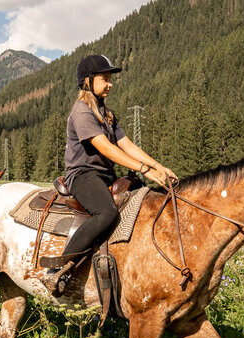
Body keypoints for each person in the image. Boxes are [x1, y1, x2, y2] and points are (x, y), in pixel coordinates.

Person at [41, 54, 177, 294]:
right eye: (105, 78)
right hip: (82, 173)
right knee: (106, 213)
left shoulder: (107, 114)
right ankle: (59, 269)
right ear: (88, 81)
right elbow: (104, 147)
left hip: (104, 175)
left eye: (110, 78)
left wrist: (158, 166)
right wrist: (144, 168)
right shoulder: (81, 112)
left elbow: (127, 144)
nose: (111, 83)